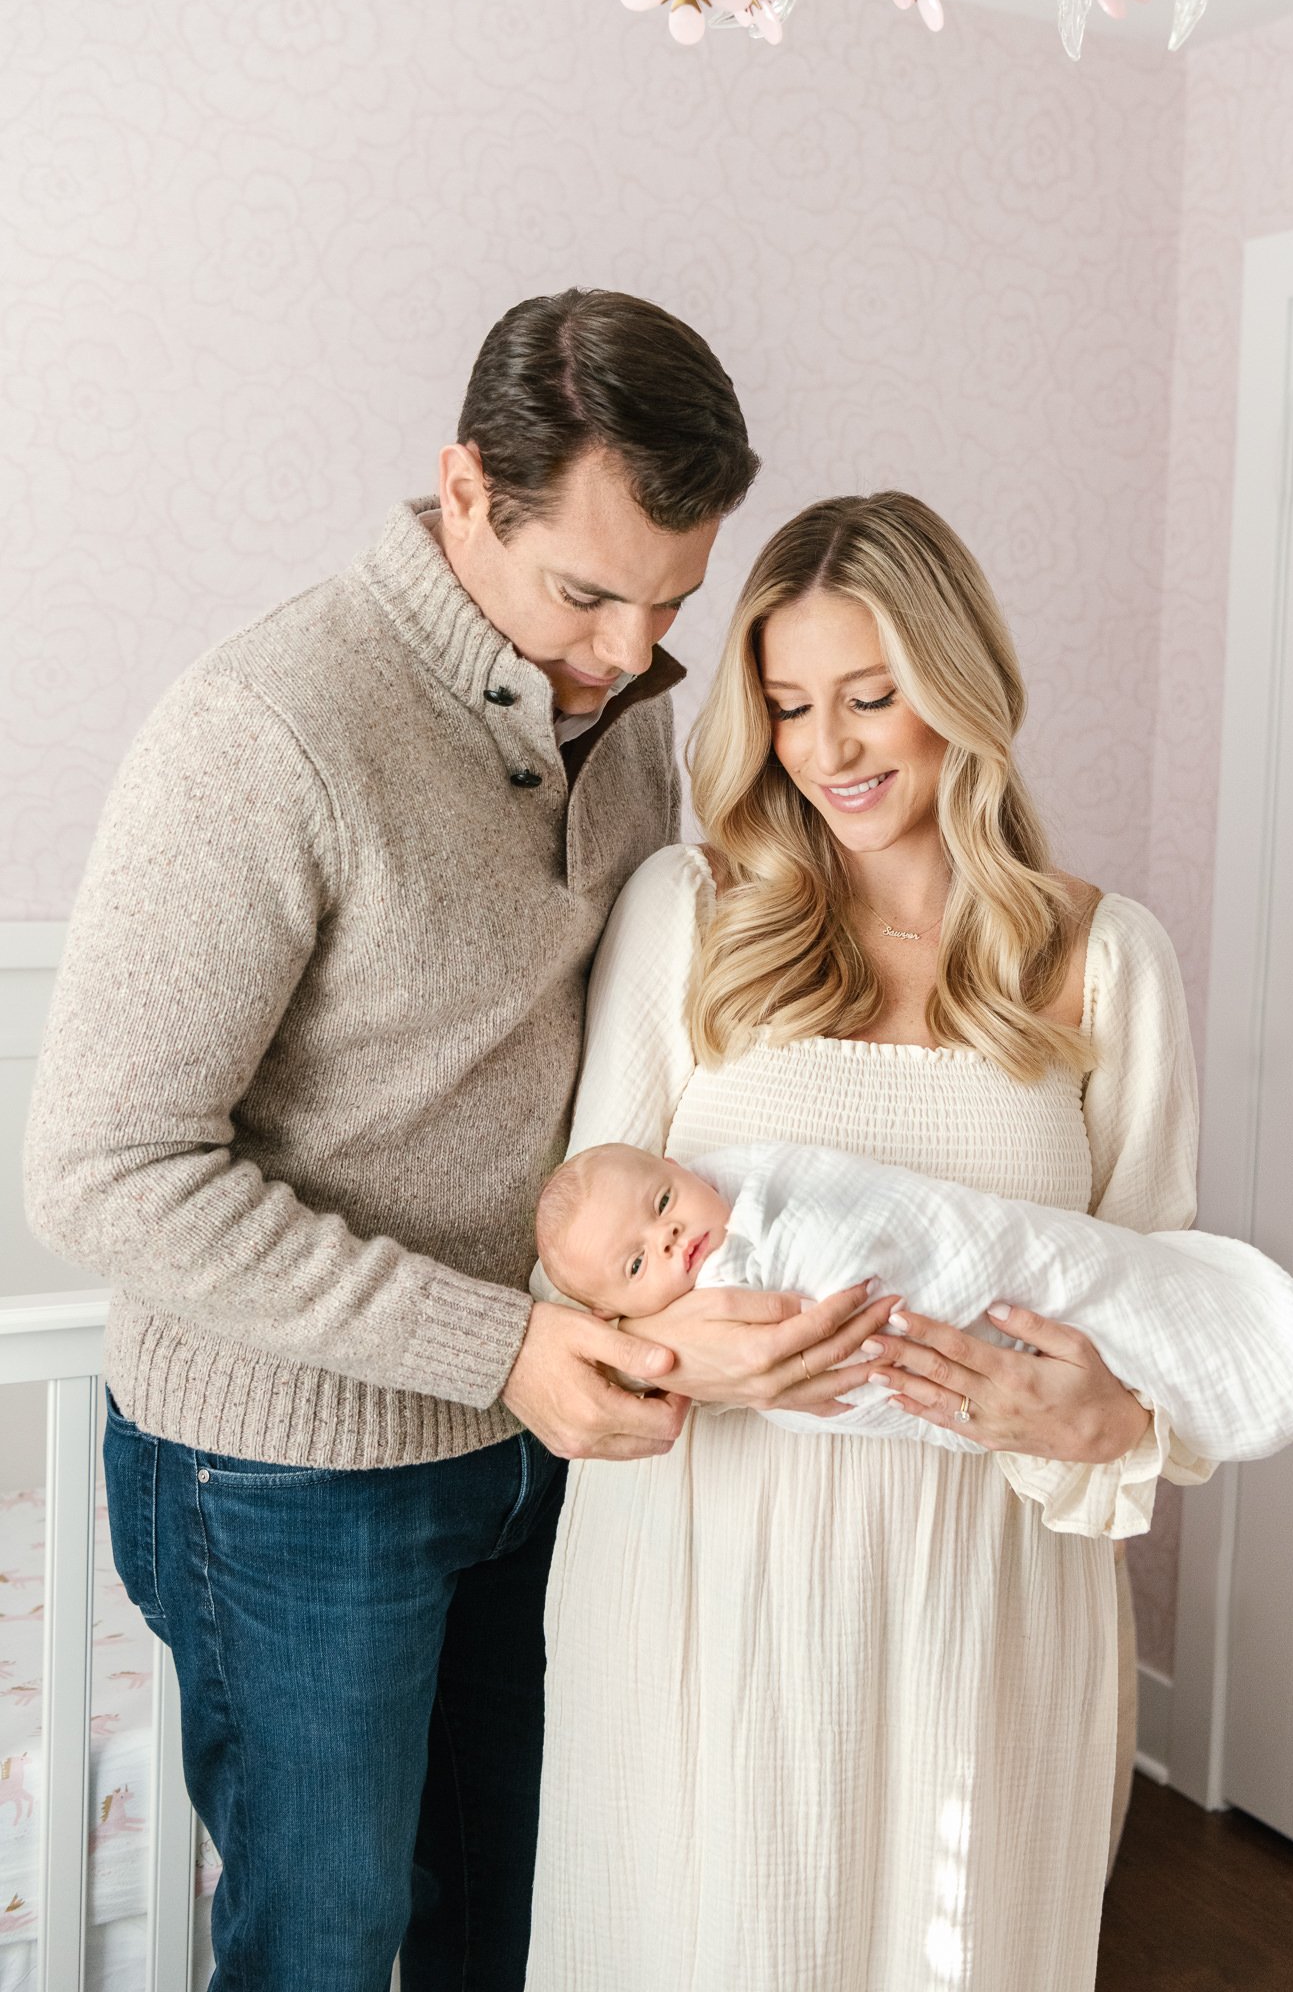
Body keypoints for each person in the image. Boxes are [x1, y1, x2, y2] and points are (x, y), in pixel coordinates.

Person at [23, 290, 886, 1992]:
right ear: (466, 490)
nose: (629, 649)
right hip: (289, 1472)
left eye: (669, 602)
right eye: (586, 591)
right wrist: (502, 1343)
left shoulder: (626, 706)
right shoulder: (266, 729)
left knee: (516, 1917)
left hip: (539, 1434)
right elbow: (102, 1168)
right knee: (323, 1948)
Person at [526, 491, 1218, 1992]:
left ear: (962, 686)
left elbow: (1164, 1320)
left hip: (984, 1588)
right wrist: (678, 1347)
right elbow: (568, 1265)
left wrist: (1104, 1414)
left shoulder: (1105, 959)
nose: (828, 750)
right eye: (784, 706)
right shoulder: (692, 915)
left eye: (870, 697)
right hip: (708, 1568)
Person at [534, 1138, 1293, 1464]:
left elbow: (1128, 1236)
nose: (672, 1238)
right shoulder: (677, 912)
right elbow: (562, 1335)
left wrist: (1116, 1425)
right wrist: (670, 1358)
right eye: (640, 1259)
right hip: (729, 1561)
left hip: (1005, 1544)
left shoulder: (1112, 952)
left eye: (666, 1201)